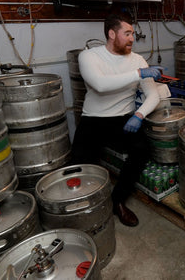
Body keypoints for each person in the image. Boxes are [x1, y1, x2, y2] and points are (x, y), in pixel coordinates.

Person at [70, 13, 161, 227]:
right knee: (76, 165)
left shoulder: (138, 59)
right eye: (127, 33)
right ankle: (78, 207)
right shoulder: (89, 56)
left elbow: (153, 95)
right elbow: (101, 84)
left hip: (124, 119)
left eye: (133, 34)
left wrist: (139, 115)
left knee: (142, 150)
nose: (132, 39)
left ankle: (117, 201)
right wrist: (139, 73)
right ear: (112, 34)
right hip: (94, 119)